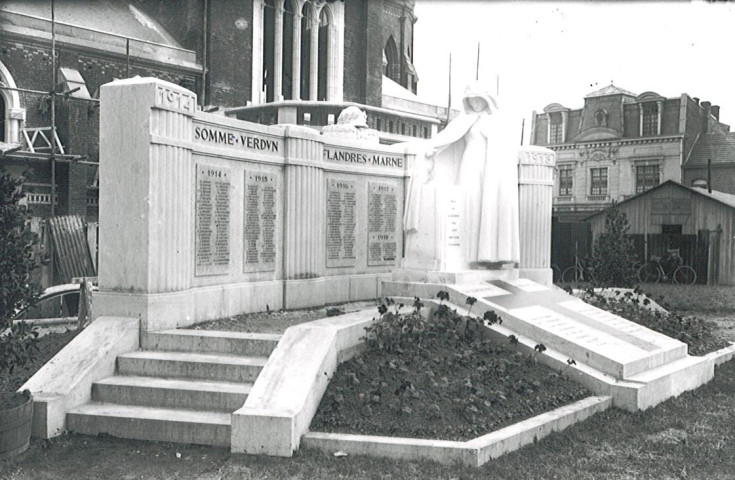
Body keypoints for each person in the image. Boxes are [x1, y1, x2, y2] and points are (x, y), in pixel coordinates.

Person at [403, 82, 519, 266]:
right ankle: (468, 255)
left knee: (486, 206)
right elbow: (447, 137)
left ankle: (488, 254)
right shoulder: (463, 120)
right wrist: (430, 148)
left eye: (478, 100)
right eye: (472, 100)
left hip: (491, 170)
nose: (475, 104)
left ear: (486, 100)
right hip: (469, 163)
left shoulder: (497, 122)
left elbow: (504, 152)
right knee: (467, 204)